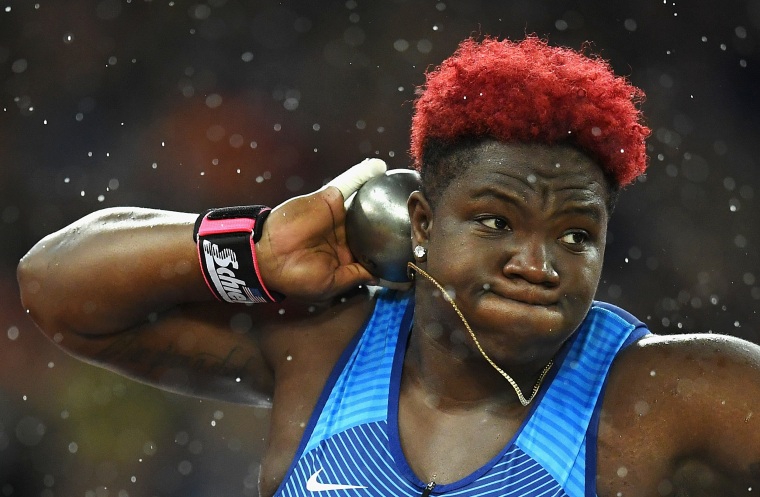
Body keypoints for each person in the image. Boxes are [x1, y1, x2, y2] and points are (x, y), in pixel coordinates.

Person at [16, 35, 760, 497]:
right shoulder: (323, 347)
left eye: (575, 236)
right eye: (497, 221)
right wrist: (260, 247)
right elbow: (56, 286)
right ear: (422, 225)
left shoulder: (673, 393)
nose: (539, 263)